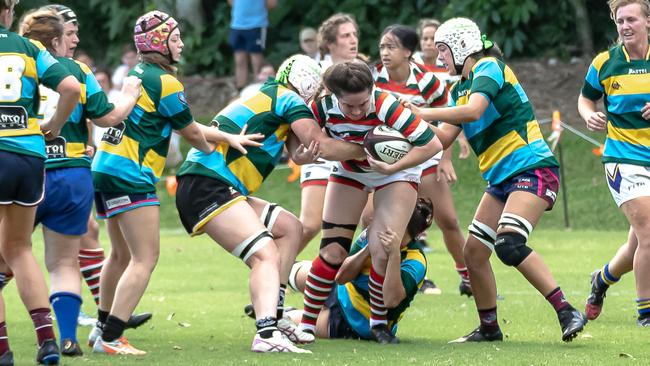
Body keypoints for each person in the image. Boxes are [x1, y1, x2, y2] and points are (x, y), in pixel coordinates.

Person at [406, 17, 587, 342]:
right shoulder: (458, 88)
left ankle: (566, 311)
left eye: (443, 50)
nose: (439, 58)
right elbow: (442, 139)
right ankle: (489, 328)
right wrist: (404, 122)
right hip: (501, 180)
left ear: (461, 47)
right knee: (473, 253)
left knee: (509, 244)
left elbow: (475, 111)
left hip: (531, 168)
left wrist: (425, 112)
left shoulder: (489, 68)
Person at [89, 10, 255, 355]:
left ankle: (101, 327)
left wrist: (225, 137)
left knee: (120, 254)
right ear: (158, 44)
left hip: (105, 167)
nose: (181, 44)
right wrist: (212, 151)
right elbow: (192, 132)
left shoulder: (141, 73)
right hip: (130, 174)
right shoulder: (166, 82)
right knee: (144, 258)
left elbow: (183, 124)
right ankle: (111, 337)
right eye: (174, 38)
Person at [175, 54, 365, 352]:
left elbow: (302, 153)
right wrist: (369, 148)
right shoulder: (287, 98)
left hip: (215, 184)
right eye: (316, 92)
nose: (316, 99)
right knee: (265, 253)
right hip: (207, 184)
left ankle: (275, 316)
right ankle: (265, 334)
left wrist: (308, 153)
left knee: (290, 228)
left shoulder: (274, 98)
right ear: (306, 84)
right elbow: (322, 144)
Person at [19, 6, 140, 357]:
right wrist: (130, 93)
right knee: (63, 264)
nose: (75, 41)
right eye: (68, 35)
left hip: (27, 168)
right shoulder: (79, 71)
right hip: (72, 174)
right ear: (56, 39)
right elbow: (108, 118)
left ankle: (31, 338)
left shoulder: (16, 63)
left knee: (12, 253)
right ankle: (68, 337)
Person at [298, 60, 443, 345]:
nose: (357, 111)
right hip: (351, 170)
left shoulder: (388, 106)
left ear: (372, 90)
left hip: (396, 173)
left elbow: (432, 145)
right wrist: (300, 156)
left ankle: (379, 324)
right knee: (332, 252)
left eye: (363, 104)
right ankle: (306, 323)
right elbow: (301, 141)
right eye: (349, 106)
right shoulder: (322, 108)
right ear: (333, 95)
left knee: (381, 246)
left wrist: (392, 167)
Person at [0, 1, 81, 364]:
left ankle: (2, 348)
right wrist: (54, 125)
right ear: (6, 12)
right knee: (18, 249)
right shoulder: (30, 47)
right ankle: (47, 341)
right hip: (30, 156)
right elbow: (70, 89)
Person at [373, 24, 471, 297]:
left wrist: (445, 158)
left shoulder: (427, 81)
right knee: (383, 222)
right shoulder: (372, 79)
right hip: (387, 161)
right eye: (382, 47)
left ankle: (468, 277)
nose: (384, 52)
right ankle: (410, 276)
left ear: (407, 51)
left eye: (391, 47)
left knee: (448, 220)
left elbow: (447, 118)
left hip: (425, 156)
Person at [578, 0, 650, 327]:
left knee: (638, 240)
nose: (625, 26)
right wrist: (588, 114)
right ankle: (646, 313)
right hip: (623, 159)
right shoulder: (605, 62)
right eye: (620, 20)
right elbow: (585, 97)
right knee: (649, 233)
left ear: (647, 22)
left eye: (631, 19)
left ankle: (602, 279)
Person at [286, 199, 432, 342]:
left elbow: (390, 300)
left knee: (287, 322)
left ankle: (282, 311)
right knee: (309, 271)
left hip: (354, 321)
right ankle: (274, 280)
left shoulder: (415, 261)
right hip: (342, 290)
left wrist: (394, 255)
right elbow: (341, 277)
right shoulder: (374, 233)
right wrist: (369, 248)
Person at [297, 13, 360, 252]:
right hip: (321, 155)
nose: (353, 40)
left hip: (355, 158)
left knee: (369, 221)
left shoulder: (363, 73)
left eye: (354, 34)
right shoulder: (315, 73)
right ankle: (274, 267)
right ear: (330, 43)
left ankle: (350, 282)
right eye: (346, 35)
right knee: (310, 225)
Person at [415, 18, 471, 160]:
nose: (428, 43)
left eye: (432, 39)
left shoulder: (450, 69)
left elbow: (456, 104)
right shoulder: (412, 65)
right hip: (416, 124)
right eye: (424, 38)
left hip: (442, 128)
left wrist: (461, 137)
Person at [227, 0, 277, 90]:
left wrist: (257, 12)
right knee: (239, 60)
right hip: (237, 25)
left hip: (257, 25)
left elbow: (272, 3)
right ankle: (240, 90)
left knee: (256, 60)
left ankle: (259, 89)